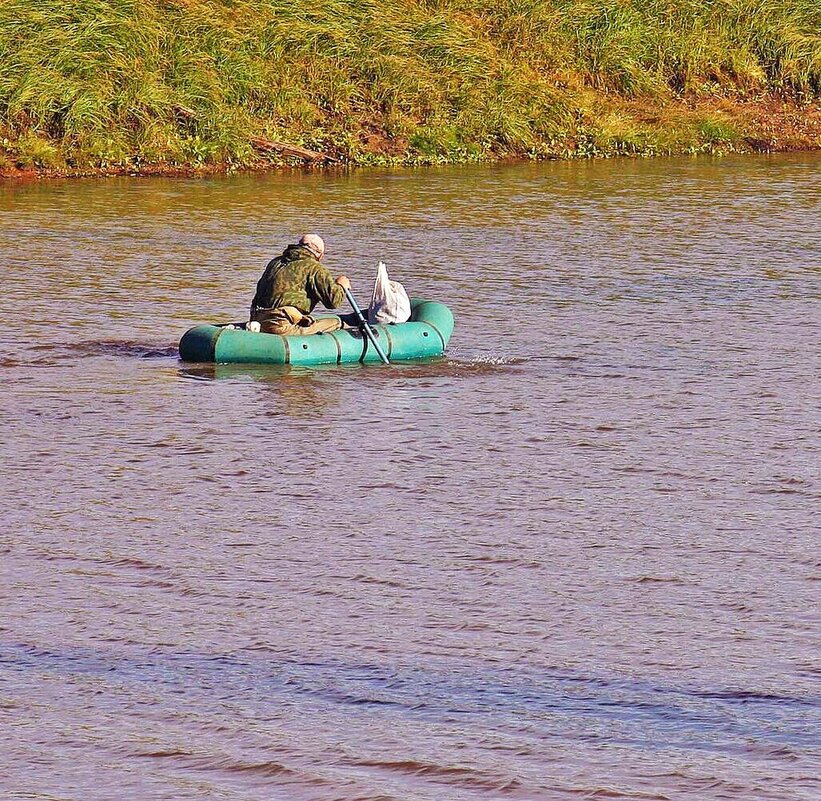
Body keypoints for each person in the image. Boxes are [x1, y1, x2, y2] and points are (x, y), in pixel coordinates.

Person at [249, 234, 351, 335]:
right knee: (337, 323)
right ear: (320, 254)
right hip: (280, 326)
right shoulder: (315, 268)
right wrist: (341, 286)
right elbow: (333, 302)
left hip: (258, 321)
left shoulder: (275, 262)